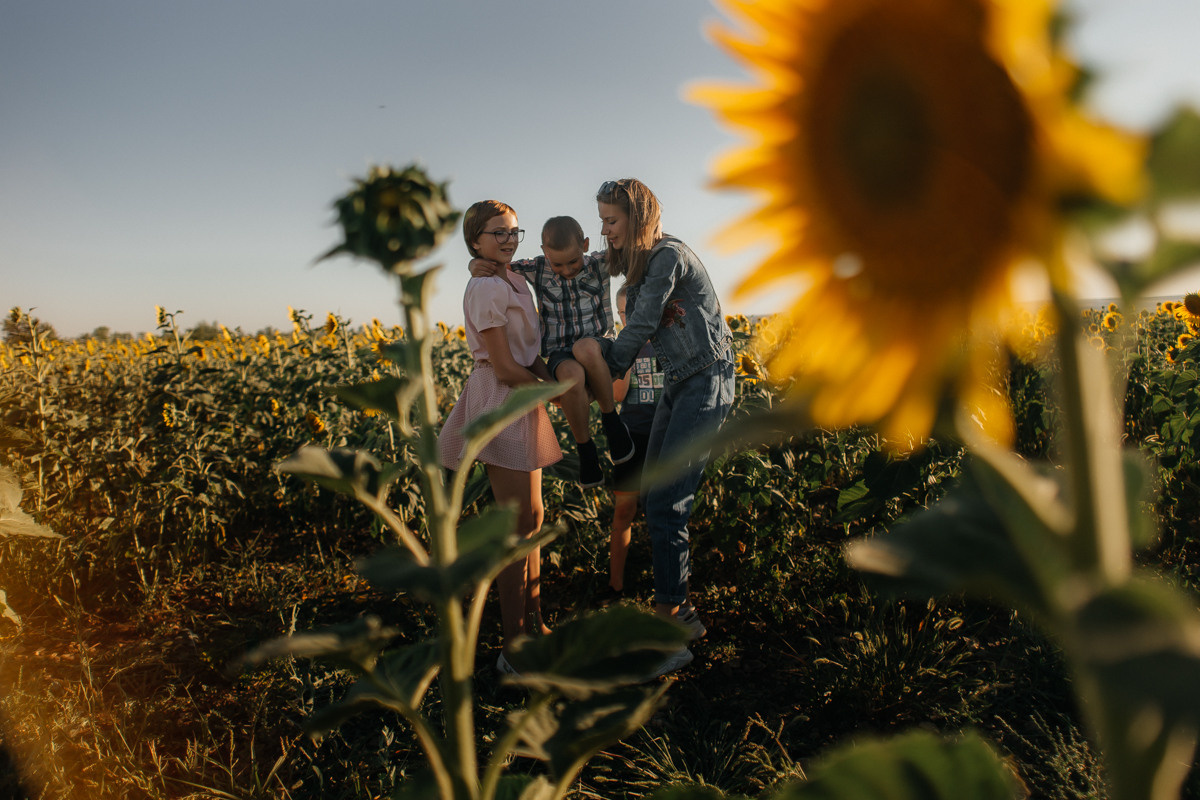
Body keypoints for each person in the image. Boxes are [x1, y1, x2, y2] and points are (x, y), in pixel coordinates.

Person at [581, 178, 736, 678]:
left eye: (611, 221)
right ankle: (681, 613)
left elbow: (644, 319)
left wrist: (611, 368)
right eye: (602, 221)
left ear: (637, 216)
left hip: (706, 380)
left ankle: (670, 631)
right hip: (679, 382)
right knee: (654, 501)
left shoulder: (669, 256)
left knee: (668, 502)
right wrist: (496, 267)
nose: (605, 231)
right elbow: (574, 267)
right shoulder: (641, 262)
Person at [438, 200, 562, 676]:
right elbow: (505, 365)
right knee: (515, 527)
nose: (509, 240)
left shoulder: (511, 280)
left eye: (514, 232)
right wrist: (554, 391)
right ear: (476, 241)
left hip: (522, 396)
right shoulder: (487, 287)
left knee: (533, 516)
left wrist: (552, 382)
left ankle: (535, 625)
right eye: (498, 234)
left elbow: (526, 355)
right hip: (500, 396)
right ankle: (513, 649)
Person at [470, 216, 635, 488]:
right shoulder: (537, 268)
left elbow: (634, 253)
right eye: (558, 264)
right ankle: (586, 450)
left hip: (599, 345)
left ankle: (611, 420)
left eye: (573, 261)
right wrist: (474, 264)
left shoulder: (599, 263)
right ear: (545, 253)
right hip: (560, 352)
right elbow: (500, 266)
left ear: (584, 245)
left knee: (585, 348)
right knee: (569, 373)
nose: (567, 269)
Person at [596, 285, 662, 606]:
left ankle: (664, 583)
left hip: (663, 437)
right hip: (631, 436)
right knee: (624, 510)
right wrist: (628, 353)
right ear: (620, 317)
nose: (631, 317)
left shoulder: (668, 343)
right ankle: (616, 585)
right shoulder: (620, 349)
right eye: (625, 312)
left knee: (662, 513)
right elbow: (618, 395)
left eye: (637, 310)